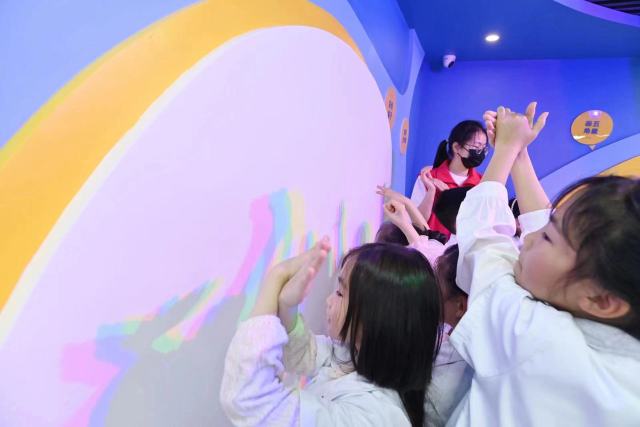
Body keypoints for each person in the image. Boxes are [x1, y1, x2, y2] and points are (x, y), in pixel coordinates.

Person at [449, 102, 640, 425]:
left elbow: (483, 244)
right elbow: (559, 238)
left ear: (602, 300)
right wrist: (518, 154)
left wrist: (506, 149)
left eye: (547, 237)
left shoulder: (539, 341)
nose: (527, 238)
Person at [220, 237, 444, 426]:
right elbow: (305, 354)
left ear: (378, 321)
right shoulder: (354, 356)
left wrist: (276, 276)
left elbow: (248, 400)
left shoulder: (373, 417)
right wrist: (288, 305)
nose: (328, 301)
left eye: (340, 293)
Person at [410, 121, 488, 238]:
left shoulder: (482, 183)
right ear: (457, 147)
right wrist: (431, 192)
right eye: (476, 147)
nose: (480, 153)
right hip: (431, 245)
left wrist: (449, 196)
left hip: (465, 247)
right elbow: (416, 222)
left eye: (483, 149)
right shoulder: (428, 177)